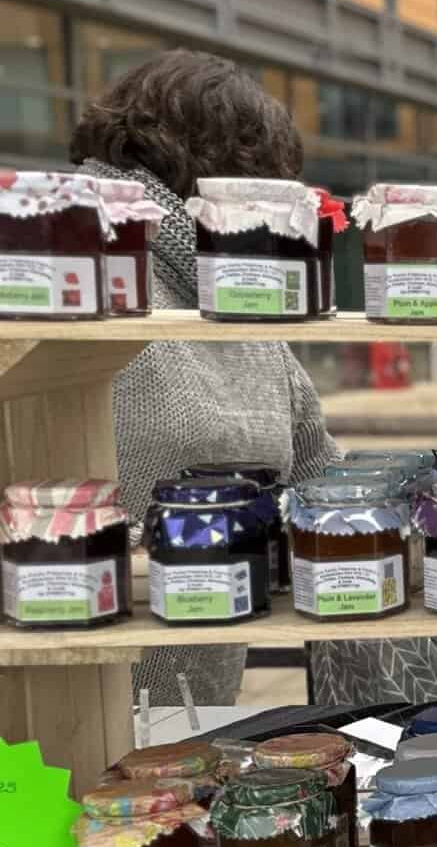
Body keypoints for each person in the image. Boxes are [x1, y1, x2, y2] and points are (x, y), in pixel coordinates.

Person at [70, 51, 341, 707]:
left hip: (186, 721)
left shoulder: (238, 310)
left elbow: (321, 483)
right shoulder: (79, 275)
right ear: (234, 177)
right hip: (48, 715)